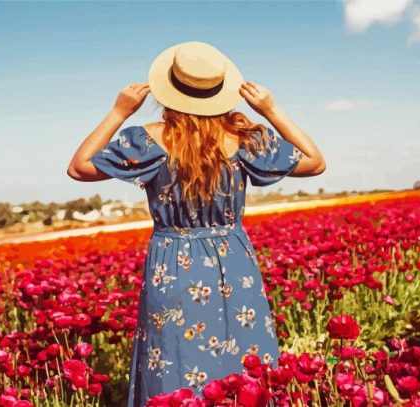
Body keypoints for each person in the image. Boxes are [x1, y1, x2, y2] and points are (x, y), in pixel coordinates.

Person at [67, 41, 325, 406]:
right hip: (235, 262)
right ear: (220, 92)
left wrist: (119, 111)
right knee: (243, 359)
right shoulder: (243, 138)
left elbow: (79, 167)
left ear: (168, 91)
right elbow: (315, 161)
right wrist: (270, 109)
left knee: (173, 359)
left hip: (172, 262)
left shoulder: (150, 139)